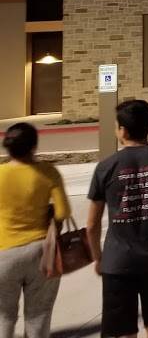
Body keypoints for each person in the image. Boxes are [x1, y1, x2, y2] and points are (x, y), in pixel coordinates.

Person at [86, 100, 148, 338]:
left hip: (118, 262)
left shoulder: (106, 167)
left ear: (122, 130)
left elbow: (91, 224)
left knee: (123, 331)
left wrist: (98, 258)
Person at [0, 123, 70, 338]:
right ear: (33, 146)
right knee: (38, 316)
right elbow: (63, 212)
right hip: (42, 252)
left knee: (3, 316)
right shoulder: (48, 172)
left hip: (4, 253)